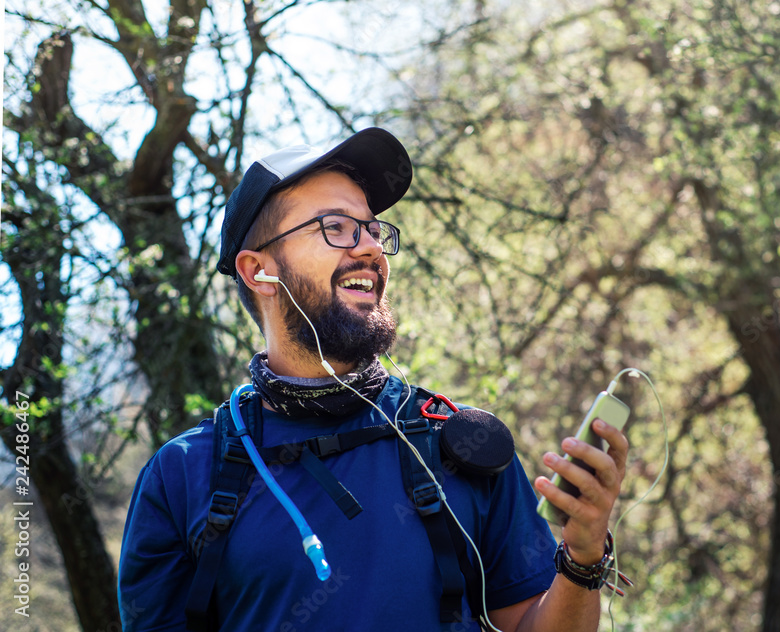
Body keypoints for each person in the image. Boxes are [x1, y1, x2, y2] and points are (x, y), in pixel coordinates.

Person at [117, 127, 630, 632]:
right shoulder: (181, 476)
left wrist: (582, 560)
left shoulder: (464, 443)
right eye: (336, 227)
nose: (369, 249)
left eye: (372, 229)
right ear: (258, 271)